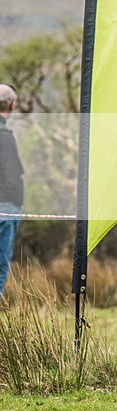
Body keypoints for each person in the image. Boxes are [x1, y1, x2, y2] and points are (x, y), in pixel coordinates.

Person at [0, 84, 23, 297]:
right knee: (0, 268)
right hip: (5, 208)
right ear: (11, 105)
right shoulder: (5, 136)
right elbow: (12, 176)